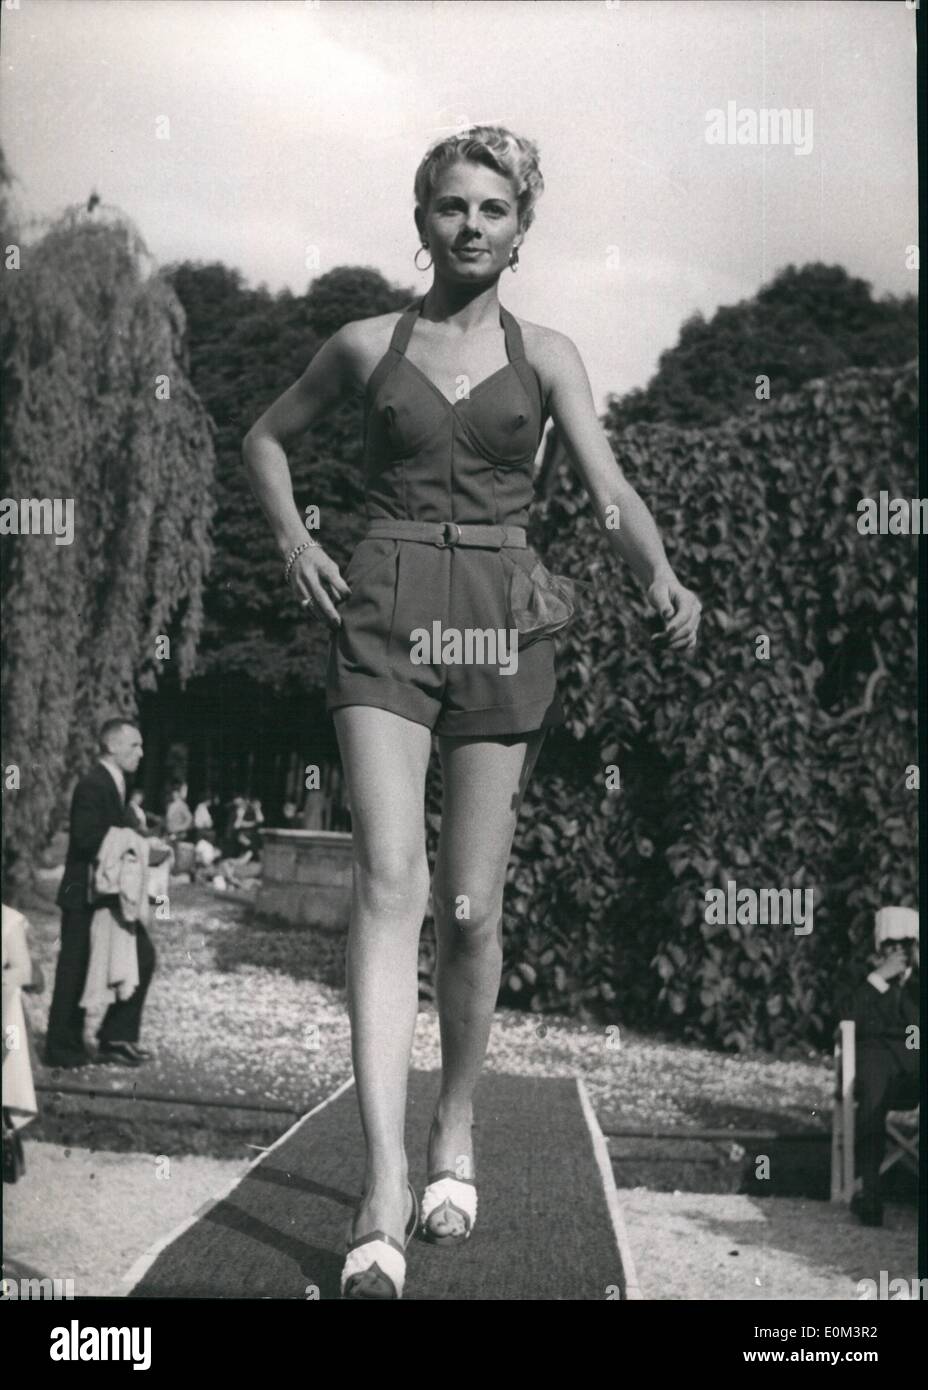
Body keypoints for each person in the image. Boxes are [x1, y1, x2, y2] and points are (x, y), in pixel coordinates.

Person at [243, 125, 701, 1299]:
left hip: (503, 614)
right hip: (383, 609)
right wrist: (296, 542)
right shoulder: (362, 344)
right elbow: (264, 439)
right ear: (421, 217)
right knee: (389, 881)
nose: (470, 226)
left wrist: (656, 571)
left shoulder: (547, 354)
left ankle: (456, 1124)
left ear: (520, 230)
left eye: (493, 209)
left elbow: (604, 489)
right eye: (452, 206)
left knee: (469, 906)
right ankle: (382, 1183)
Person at [45, 718, 157, 1068]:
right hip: (85, 894)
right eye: (135, 745)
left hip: (106, 895)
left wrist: (142, 841)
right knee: (74, 969)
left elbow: (119, 830)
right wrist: (136, 842)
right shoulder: (94, 784)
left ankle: (115, 1038)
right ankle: (61, 1048)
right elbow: (85, 837)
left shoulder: (116, 784)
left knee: (142, 957)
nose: (141, 753)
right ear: (112, 746)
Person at [835, 906, 920, 1226]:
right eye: (891, 944)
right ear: (878, 945)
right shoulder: (859, 974)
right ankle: (870, 1193)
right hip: (873, 1059)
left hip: (913, 1059)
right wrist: (878, 979)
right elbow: (845, 1017)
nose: (898, 951)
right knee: (873, 1090)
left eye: (906, 943)